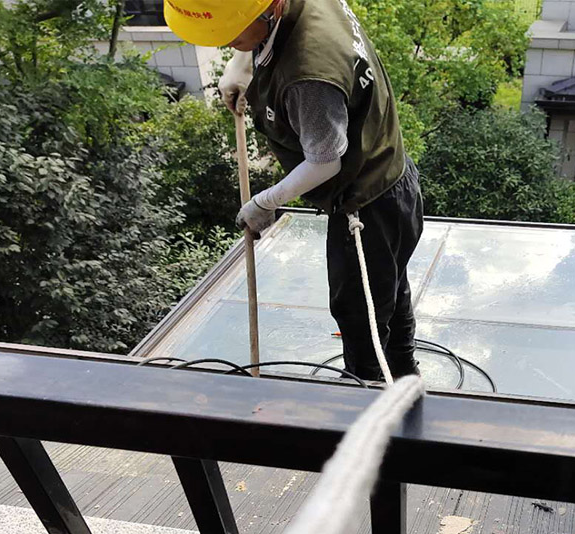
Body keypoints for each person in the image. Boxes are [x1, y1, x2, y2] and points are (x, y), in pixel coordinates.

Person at [165, 0, 423, 380]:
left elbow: (325, 162)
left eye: (232, 34)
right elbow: (260, 33)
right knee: (388, 291)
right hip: (392, 175)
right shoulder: (291, 11)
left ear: (271, 8)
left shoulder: (309, 75)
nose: (226, 42)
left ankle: (366, 394)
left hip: (368, 206)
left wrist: (265, 202)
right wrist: (242, 64)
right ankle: (406, 376)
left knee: (361, 313)